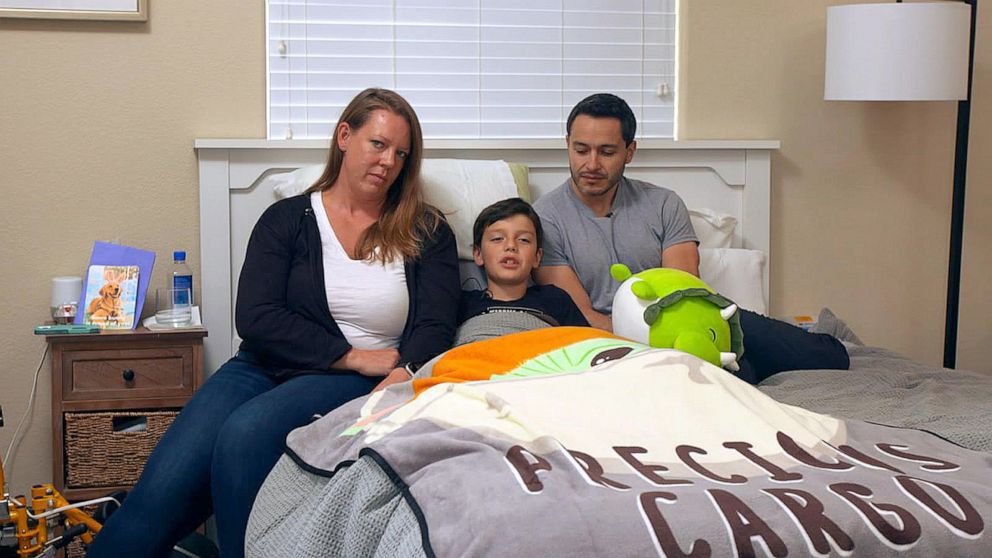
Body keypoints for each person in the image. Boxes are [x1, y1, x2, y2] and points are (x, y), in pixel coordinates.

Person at [86, 88, 460, 558]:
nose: (388, 161)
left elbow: (436, 322)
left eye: (401, 153)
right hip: (262, 366)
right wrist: (351, 354)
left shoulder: (423, 231)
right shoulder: (287, 219)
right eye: (378, 144)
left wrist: (401, 370)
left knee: (244, 437)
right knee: (161, 488)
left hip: (352, 381)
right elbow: (257, 317)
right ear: (345, 136)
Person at [533, 93, 849, 385]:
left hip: (697, 322)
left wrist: (698, 336)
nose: (591, 164)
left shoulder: (662, 204)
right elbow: (582, 315)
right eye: (581, 149)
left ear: (630, 151)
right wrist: (655, 345)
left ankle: (811, 340)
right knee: (742, 377)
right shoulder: (545, 217)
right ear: (567, 144)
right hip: (617, 342)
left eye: (606, 152)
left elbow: (685, 289)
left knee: (832, 357)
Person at [456, 198, 587, 345]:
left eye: (524, 240)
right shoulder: (461, 303)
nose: (511, 246)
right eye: (498, 238)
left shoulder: (555, 299)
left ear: (537, 257)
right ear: (478, 254)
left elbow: (586, 348)